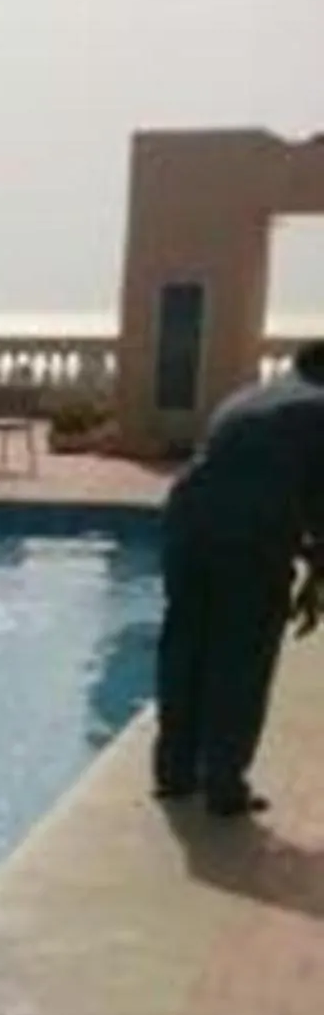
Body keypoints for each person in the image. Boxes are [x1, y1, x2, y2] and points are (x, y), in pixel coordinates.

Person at [154, 340, 324, 817]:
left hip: (185, 525)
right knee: (241, 657)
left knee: (186, 648)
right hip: (249, 540)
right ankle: (224, 785)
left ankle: (174, 774)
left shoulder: (249, 396)